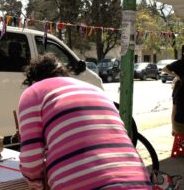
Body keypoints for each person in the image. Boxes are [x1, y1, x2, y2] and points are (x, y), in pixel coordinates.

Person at [18, 53, 151, 190]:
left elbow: (31, 163)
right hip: (139, 182)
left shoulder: (33, 93)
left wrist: (36, 184)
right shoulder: (96, 90)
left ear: (32, 80)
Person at [162, 43, 184, 133]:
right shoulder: (179, 63)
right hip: (180, 89)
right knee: (175, 109)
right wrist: (176, 75)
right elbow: (164, 69)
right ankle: (174, 128)